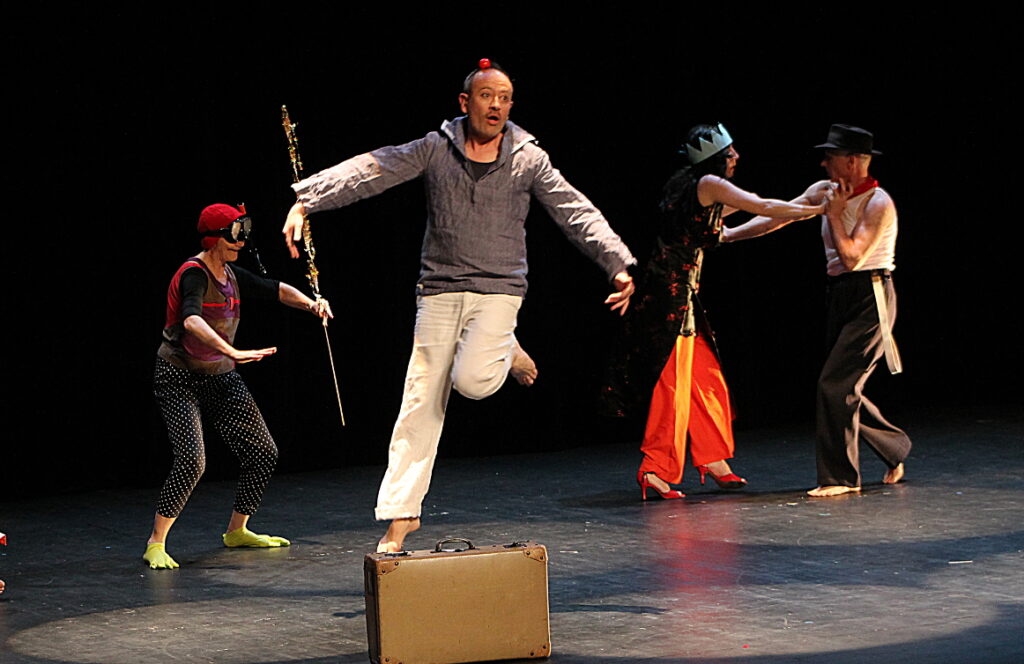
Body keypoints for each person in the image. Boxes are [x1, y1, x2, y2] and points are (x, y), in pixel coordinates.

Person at [281, 59, 637, 551]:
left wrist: (615, 262)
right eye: (487, 95)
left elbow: (574, 209)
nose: (496, 104)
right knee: (420, 399)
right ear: (465, 102)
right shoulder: (435, 149)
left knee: (471, 381)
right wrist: (308, 200)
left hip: (499, 290)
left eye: (505, 97)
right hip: (440, 289)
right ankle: (402, 515)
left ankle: (502, 345)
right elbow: (375, 167)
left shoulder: (528, 158)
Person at [607, 123, 825, 500]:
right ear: (713, 158)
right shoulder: (710, 184)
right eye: (730, 153)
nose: (736, 157)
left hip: (681, 295)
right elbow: (764, 207)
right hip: (667, 299)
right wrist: (818, 207)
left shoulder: (693, 186)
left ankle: (711, 457)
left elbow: (748, 226)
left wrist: (805, 204)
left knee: (706, 378)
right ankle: (655, 469)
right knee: (672, 386)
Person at [725, 124, 911, 497]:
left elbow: (854, 257)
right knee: (842, 387)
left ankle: (840, 478)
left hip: (871, 295)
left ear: (854, 161)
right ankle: (895, 448)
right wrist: (728, 236)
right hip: (840, 295)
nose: (824, 162)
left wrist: (836, 214)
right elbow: (779, 216)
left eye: (832, 156)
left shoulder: (879, 203)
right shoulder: (823, 191)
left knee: (834, 385)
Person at [144, 203, 332, 569]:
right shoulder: (194, 274)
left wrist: (312, 305)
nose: (241, 243)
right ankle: (156, 541)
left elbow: (274, 289)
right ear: (214, 239)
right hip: (179, 376)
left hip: (219, 374)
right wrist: (232, 349)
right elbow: (192, 320)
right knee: (192, 461)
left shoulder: (231, 274)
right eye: (234, 236)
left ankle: (237, 531)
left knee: (263, 451)